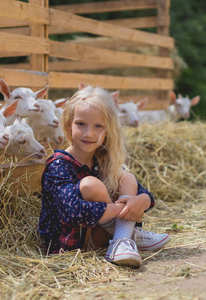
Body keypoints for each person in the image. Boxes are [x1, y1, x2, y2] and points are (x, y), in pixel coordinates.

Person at [38, 85, 170, 268]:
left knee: (126, 178)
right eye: (81, 124)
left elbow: (142, 192)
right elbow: (73, 210)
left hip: (98, 238)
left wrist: (142, 201)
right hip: (69, 246)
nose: (89, 133)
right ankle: (127, 234)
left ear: (108, 131)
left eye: (98, 126)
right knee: (91, 185)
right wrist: (121, 209)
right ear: (69, 125)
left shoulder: (102, 160)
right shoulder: (58, 165)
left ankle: (121, 241)